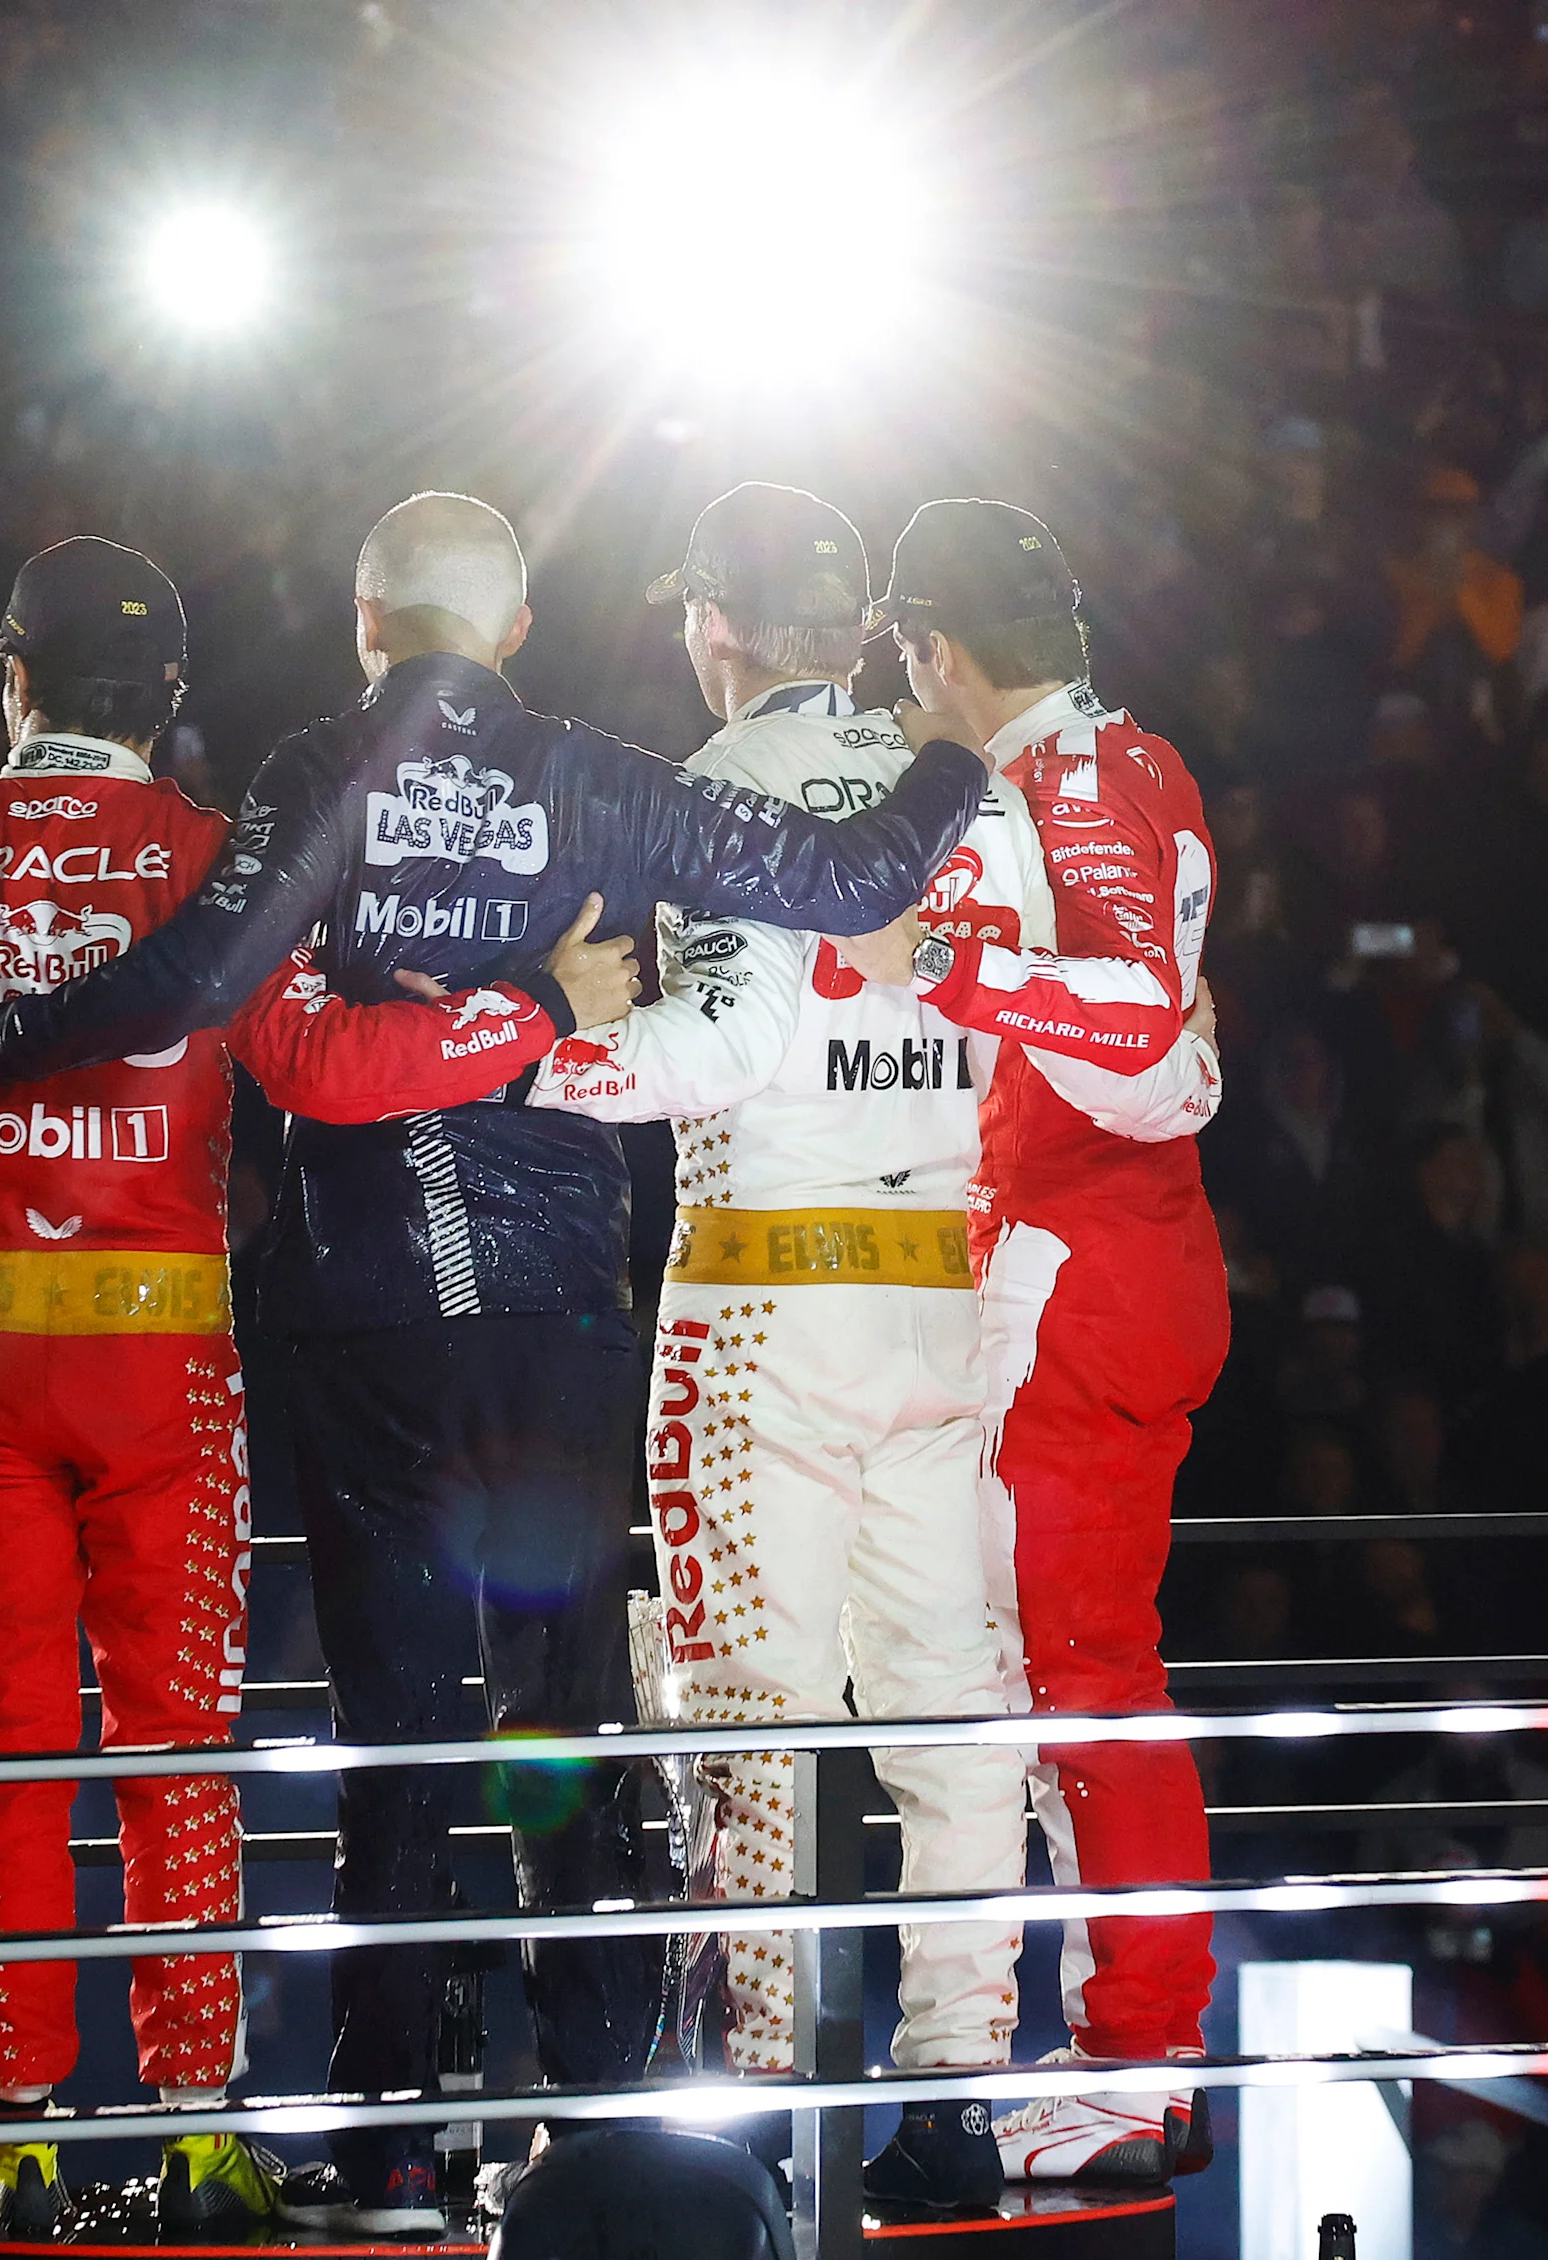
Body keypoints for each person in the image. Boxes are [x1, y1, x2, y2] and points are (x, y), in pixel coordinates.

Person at [0, 492, 990, 2234]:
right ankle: (598, 2136)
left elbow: (196, 979)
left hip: (365, 1308)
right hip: (551, 1316)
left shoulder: (321, 770)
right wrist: (959, 744)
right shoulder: (595, 776)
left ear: (367, 624)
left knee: (392, 1734)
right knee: (562, 1724)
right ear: (515, 629)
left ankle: (388, 2142)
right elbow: (854, 880)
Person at [0, 537, 636, 2243]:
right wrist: (529, 1012)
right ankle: (199, 2133)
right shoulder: (213, 856)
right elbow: (328, 1069)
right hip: (164, 1360)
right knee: (179, 1739)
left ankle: (15, 2145)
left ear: (15, 679)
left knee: (6, 1743)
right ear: (167, 699)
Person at [507, 485, 1223, 2211]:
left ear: (712, 625)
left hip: (763, 1304)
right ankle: (954, 2095)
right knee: (955, 1716)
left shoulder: (723, 784)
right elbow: (1106, 1031)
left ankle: (752, 2112)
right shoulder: (969, 789)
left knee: (750, 1708)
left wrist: (529, 1051)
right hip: (942, 1312)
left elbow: (724, 1043)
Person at [840, 499, 1228, 2184]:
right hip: (1107, 1255)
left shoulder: (1062, 781)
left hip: (1082, 1268)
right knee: (1063, 1670)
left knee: (1080, 1673)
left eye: (907, 660)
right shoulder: (1129, 761)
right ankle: (1127, 2054)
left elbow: (1137, 1020)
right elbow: (1168, 1036)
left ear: (934, 648)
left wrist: (947, 962)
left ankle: (1137, 2059)